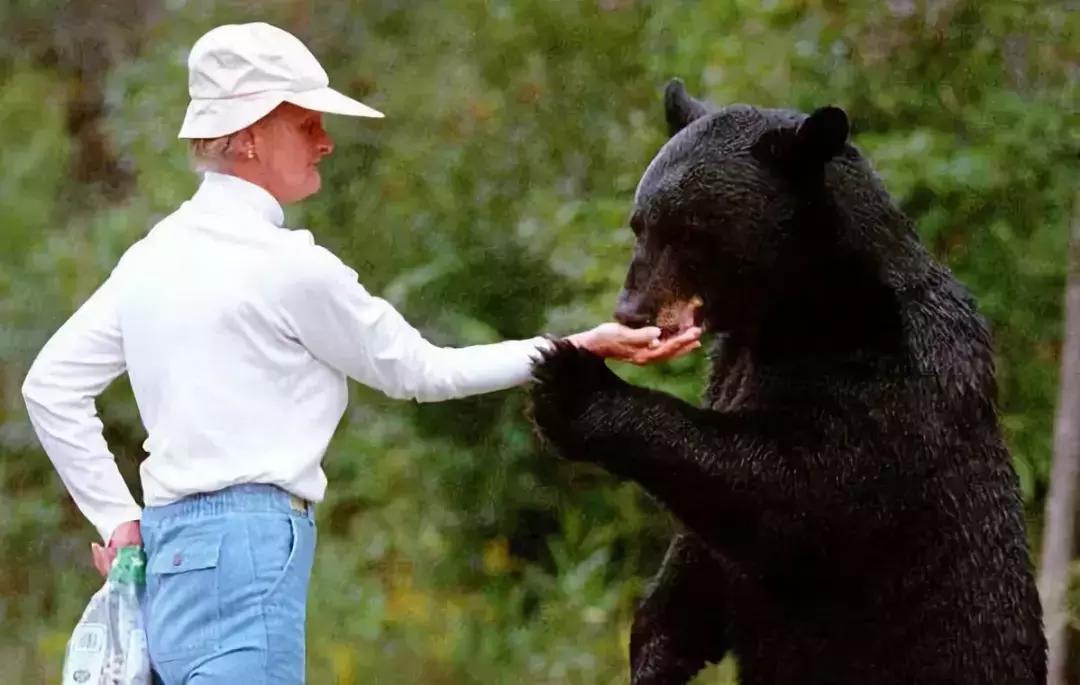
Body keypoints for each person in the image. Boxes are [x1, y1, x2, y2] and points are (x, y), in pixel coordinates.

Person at [21, 22, 702, 684]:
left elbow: (49, 386)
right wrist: (576, 347)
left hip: (166, 554)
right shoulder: (289, 266)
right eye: (306, 124)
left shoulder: (151, 258)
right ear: (251, 136)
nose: (325, 142)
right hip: (250, 546)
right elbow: (421, 372)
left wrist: (119, 520)